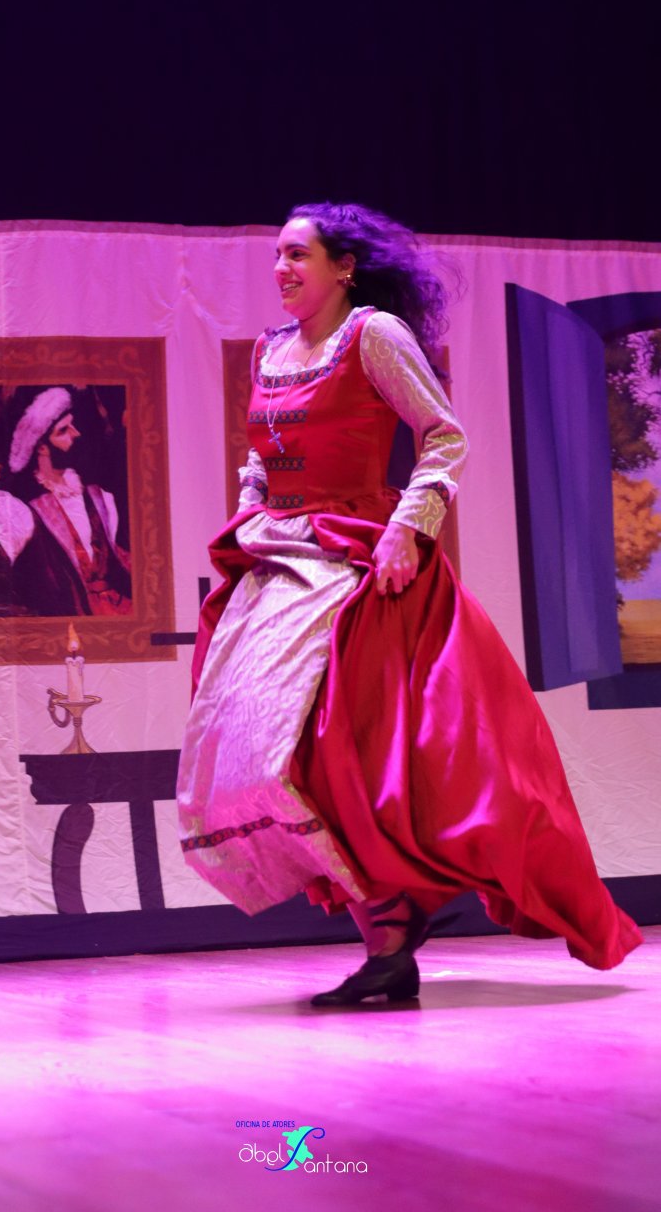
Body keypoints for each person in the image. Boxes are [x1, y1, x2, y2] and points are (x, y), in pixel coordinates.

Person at [177, 201, 642, 1006]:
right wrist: (250, 506)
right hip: (276, 560)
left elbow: (443, 435)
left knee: (345, 759)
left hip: (355, 563)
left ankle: (390, 940)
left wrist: (407, 530)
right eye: (277, 256)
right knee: (262, 758)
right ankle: (388, 934)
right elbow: (259, 458)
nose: (281, 269)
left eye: (297, 255)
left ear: (343, 267)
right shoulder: (270, 349)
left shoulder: (374, 336)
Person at [0, 386, 132, 617]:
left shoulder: (100, 498)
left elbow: (120, 559)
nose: (75, 434)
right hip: (67, 618)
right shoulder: (24, 510)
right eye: (63, 430)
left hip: (117, 611)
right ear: (42, 447)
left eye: (72, 426)